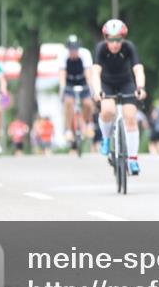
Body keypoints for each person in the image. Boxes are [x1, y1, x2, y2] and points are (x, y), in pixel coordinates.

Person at [90, 19, 146, 175]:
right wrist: (97, 91)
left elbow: (138, 70)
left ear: (123, 39)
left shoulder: (129, 47)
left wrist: (140, 88)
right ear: (105, 38)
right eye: (111, 40)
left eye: (118, 40)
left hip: (126, 82)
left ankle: (133, 160)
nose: (114, 44)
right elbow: (95, 72)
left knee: (131, 117)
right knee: (108, 110)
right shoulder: (101, 49)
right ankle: (106, 139)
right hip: (106, 83)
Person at [58, 35, 95, 149]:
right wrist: (62, 89)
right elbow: (62, 74)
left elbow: (88, 73)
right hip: (69, 83)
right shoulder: (63, 56)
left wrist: (91, 88)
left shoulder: (85, 54)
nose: (73, 52)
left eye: (75, 49)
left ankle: (86, 123)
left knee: (88, 103)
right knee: (69, 102)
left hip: (82, 81)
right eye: (71, 49)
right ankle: (69, 129)